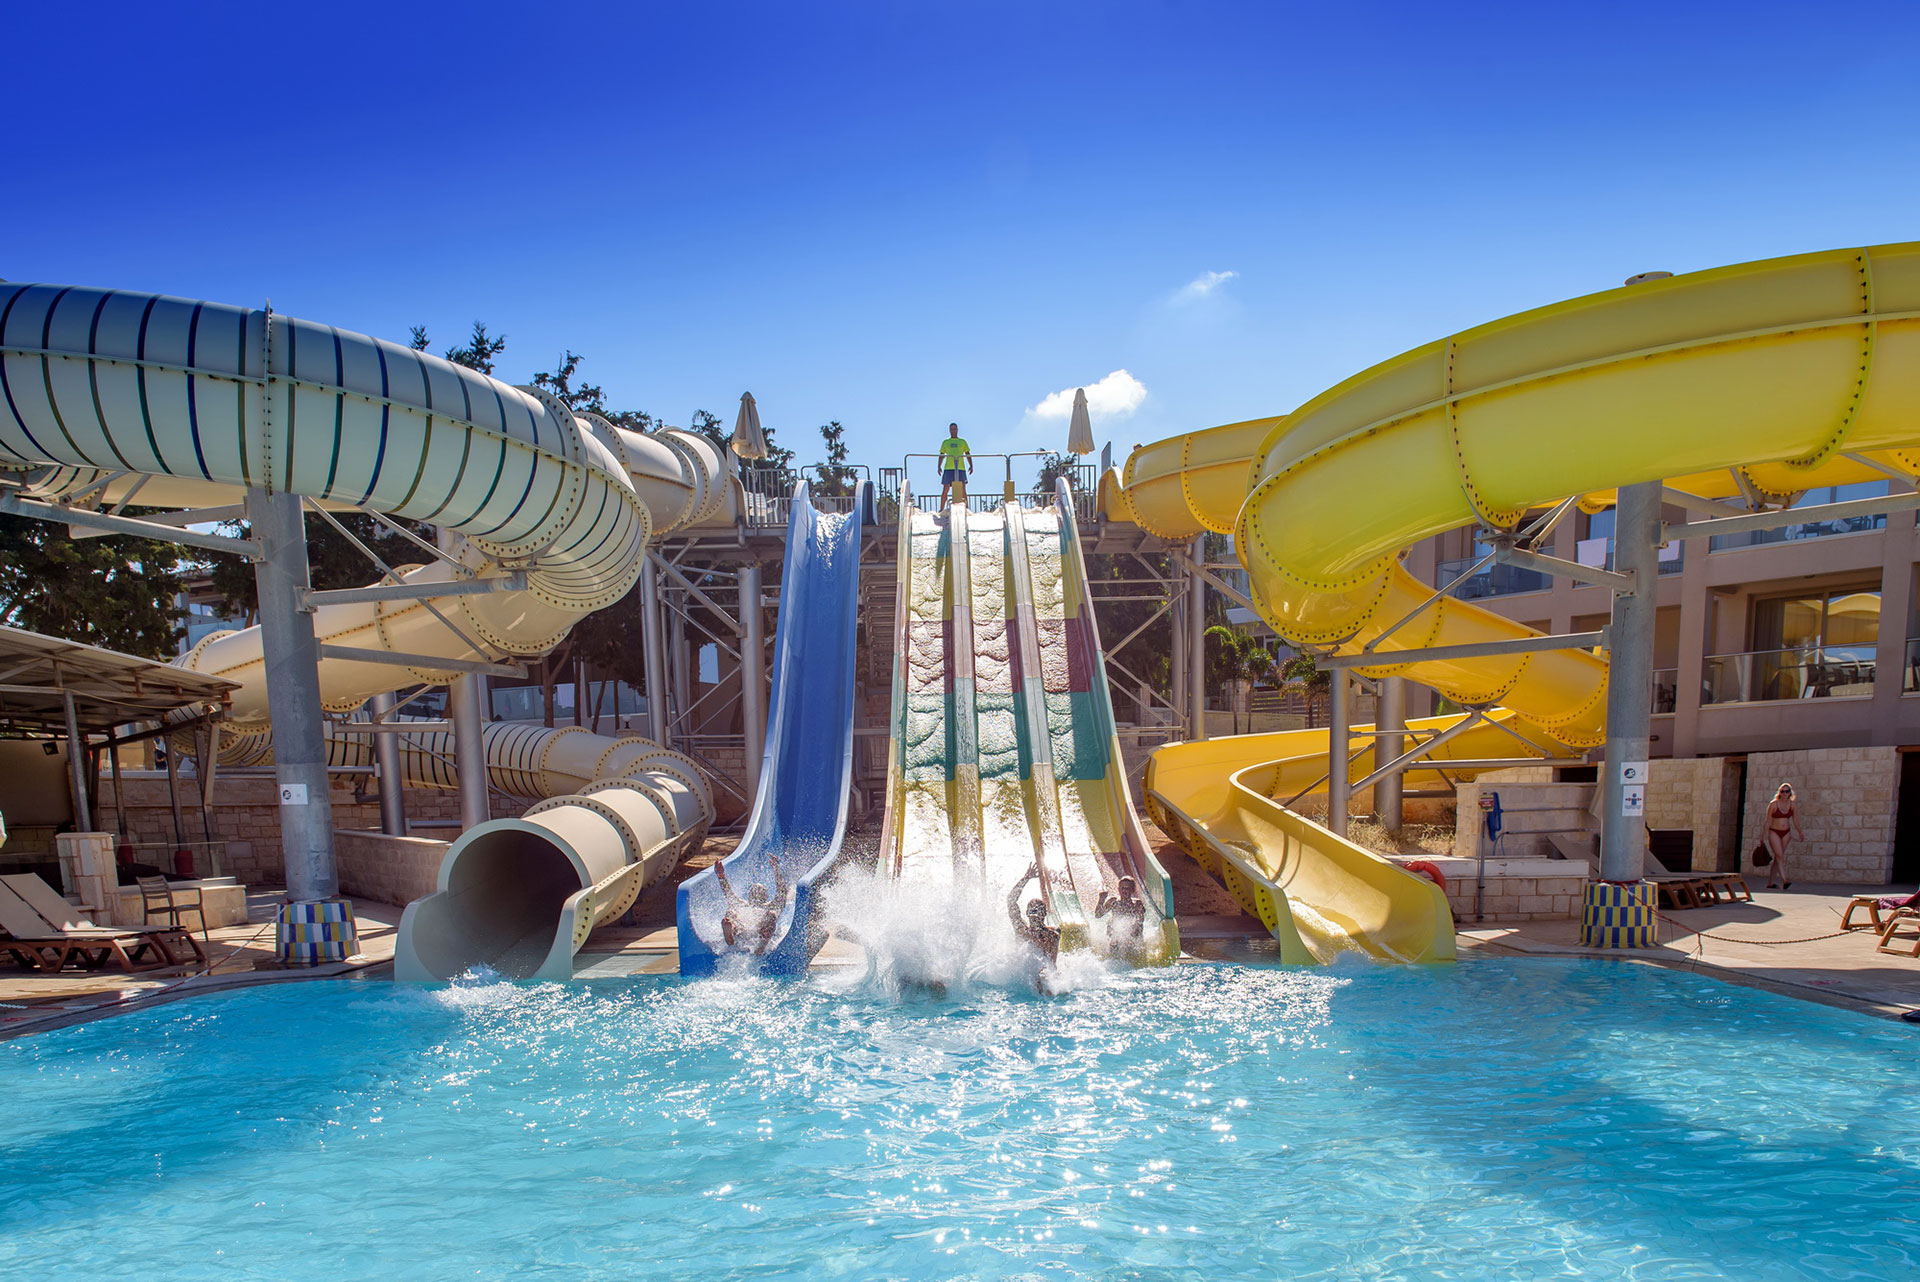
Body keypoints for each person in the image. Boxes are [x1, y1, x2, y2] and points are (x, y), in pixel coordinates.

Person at [714, 853, 789, 953]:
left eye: (760, 891)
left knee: (772, 915)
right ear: (749, 895)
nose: (756, 893)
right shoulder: (743, 904)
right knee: (730, 912)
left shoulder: (770, 906)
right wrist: (721, 876)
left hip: (760, 930)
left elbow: (782, 893)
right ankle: (730, 933)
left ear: (765, 896)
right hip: (743, 930)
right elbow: (728, 893)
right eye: (754, 891)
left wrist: (777, 870)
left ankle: (762, 942)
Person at [1006, 861, 1059, 963]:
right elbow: (1010, 900)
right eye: (1033, 910)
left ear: (1044, 914)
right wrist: (1025, 878)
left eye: (1038, 911)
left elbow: (1050, 966)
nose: (1035, 914)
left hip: (1046, 976)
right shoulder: (1022, 931)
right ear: (1027, 913)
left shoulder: (1052, 935)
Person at [1762, 783, 1804, 890]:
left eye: (1786, 791)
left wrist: (1800, 832)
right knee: (1780, 855)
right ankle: (1784, 880)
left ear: (1790, 793)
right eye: (1782, 791)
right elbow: (1767, 821)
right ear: (1779, 792)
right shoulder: (1773, 804)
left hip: (1786, 832)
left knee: (1778, 857)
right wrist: (1763, 837)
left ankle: (1770, 883)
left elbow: (1795, 819)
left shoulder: (1792, 804)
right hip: (1774, 832)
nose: (1784, 794)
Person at [1095, 876, 1147, 952]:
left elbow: (1140, 921)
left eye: (1127, 888)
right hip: (1115, 937)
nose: (1124, 891)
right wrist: (1101, 900)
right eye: (1122, 888)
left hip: (1131, 938)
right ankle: (1113, 951)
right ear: (1118, 889)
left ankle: (1131, 951)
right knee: (1111, 923)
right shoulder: (1113, 902)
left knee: (1135, 927)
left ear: (1132, 890)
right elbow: (1098, 915)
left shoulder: (1137, 904)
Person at [937, 422, 973, 510]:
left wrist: (971, 465)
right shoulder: (946, 442)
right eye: (951, 429)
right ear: (949, 430)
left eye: (954, 429)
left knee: (963, 489)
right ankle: (941, 509)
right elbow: (941, 455)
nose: (953, 431)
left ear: (957, 430)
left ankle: (967, 509)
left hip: (960, 468)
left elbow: (968, 454)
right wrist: (939, 466)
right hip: (949, 468)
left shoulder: (962, 442)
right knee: (945, 488)